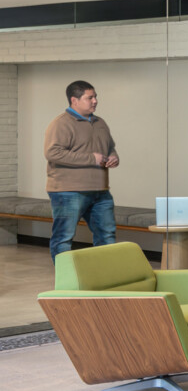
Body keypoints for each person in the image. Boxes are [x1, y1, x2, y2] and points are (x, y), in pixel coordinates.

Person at [44, 80, 119, 259]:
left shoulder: (100, 122)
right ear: (74, 100)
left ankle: (106, 279)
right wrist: (91, 158)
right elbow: (52, 153)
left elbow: (109, 147)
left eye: (95, 97)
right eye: (89, 97)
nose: (95, 101)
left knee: (107, 237)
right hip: (68, 192)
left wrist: (114, 156)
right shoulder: (61, 123)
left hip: (100, 192)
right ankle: (65, 281)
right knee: (63, 239)